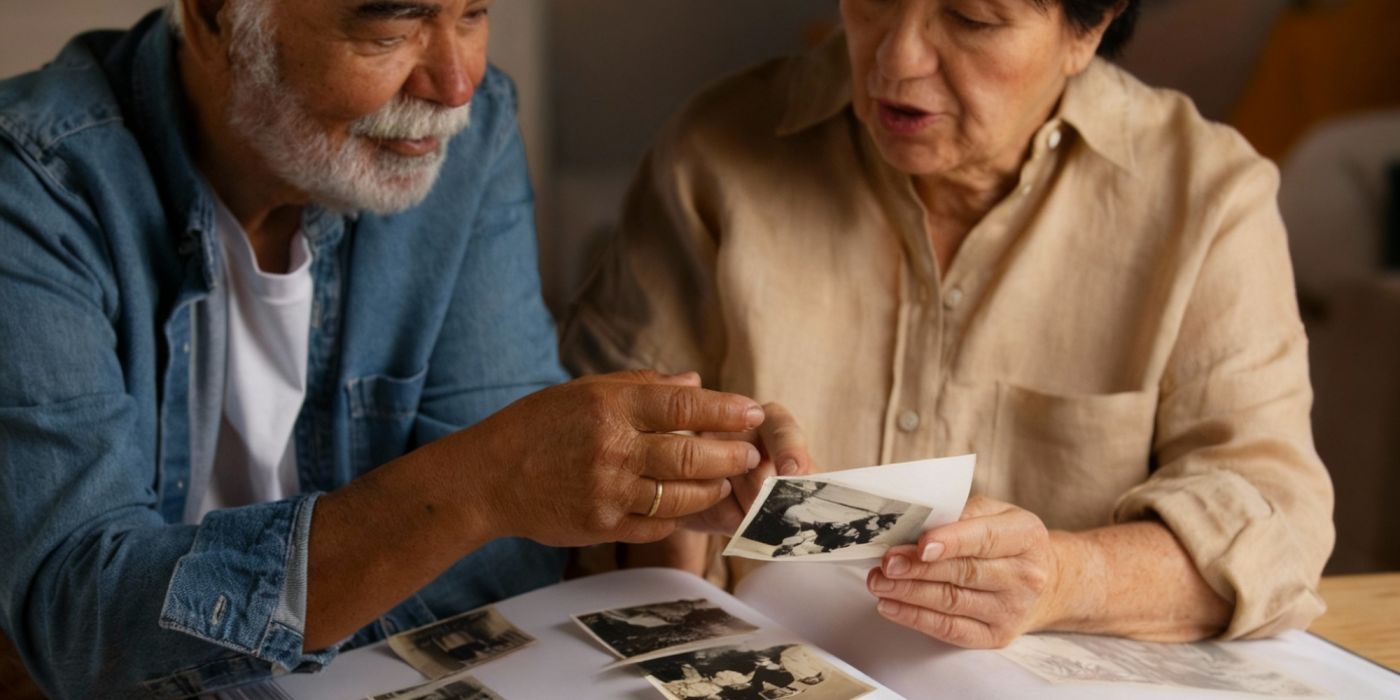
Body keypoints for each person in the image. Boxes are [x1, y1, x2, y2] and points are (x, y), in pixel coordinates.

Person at [0, 1, 806, 697]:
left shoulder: (467, 135)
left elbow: (510, 564)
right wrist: (484, 483)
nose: (455, 85)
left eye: (475, 14)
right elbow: (83, 629)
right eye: (391, 28)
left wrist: (554, 495)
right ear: (215, 14)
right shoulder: (33, 182)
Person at [562, 0, 1335, 648]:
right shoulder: (714, 155)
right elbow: (576, 484)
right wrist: (670, 499)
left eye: (970, 18)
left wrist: (1063, 577)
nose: (896, 61)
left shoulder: (1206, 199)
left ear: (1087, 31)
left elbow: (1276, 524)